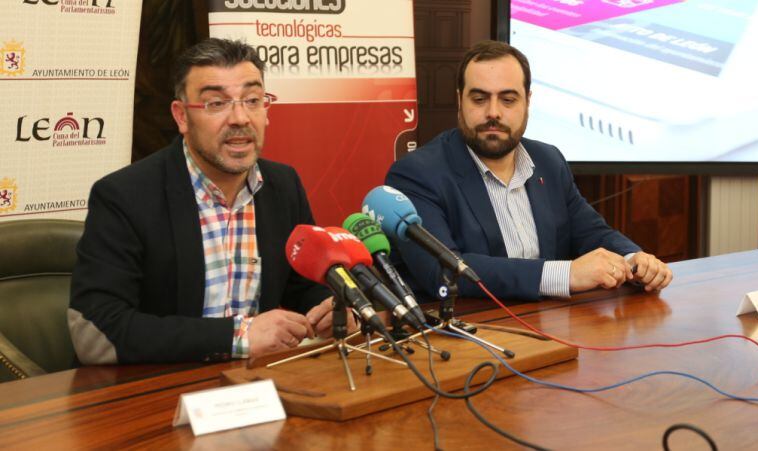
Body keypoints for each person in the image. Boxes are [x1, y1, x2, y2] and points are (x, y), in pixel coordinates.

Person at [69, 38, 353, 365]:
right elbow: (94, 333)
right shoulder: (124, 196)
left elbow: (303, 286)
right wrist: (238, 337)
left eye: (252, 99)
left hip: (254, 384)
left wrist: (330, 309)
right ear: (181, 117)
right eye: (216, 103)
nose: (240, 118)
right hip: (156, 389)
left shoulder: (282, 185)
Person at [385, 40, 673, 301]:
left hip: (550, 326)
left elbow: (591, 231)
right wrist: (566, 275)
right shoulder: (416, 174)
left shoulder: (548, 160)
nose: (493, 112)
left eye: (508, 99)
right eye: (479, 99)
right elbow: (444, 272)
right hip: (472, 331)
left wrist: (634, 258)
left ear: (527, 101)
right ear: (460, 101)